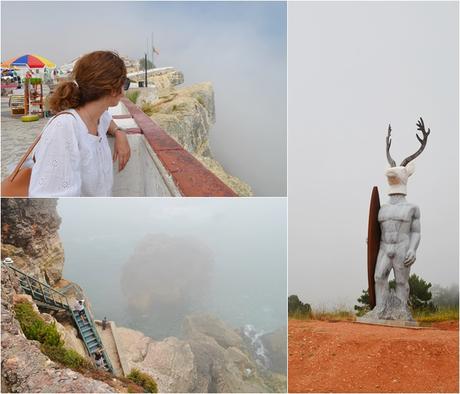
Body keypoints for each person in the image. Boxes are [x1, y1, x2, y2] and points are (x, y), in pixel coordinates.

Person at [29, 51, 131, 197]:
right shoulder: (65, 127)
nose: (125, 89)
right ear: (113, 89)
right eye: (125, 82)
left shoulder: (98, 117)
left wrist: (119, 132)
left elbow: (107, 120)